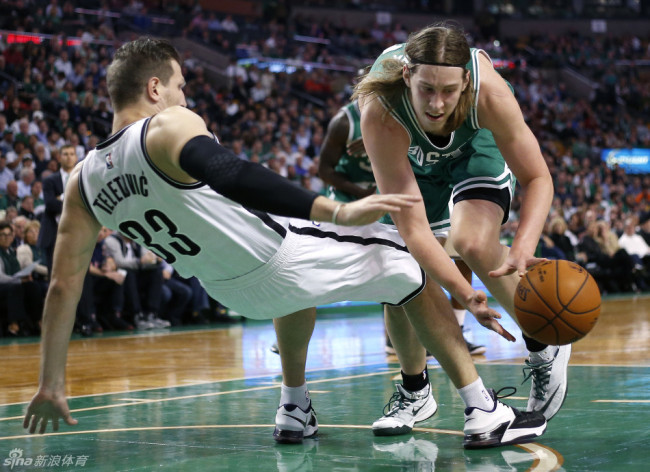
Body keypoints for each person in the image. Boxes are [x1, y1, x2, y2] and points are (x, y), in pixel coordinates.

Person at [23, 38, 546, 450]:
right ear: (155, 88)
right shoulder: (166, 125)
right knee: (409, 254)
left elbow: (63, 287)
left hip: (228, 291)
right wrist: (335, 209)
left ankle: (293, 406)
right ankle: (481, 409)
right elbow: (233, 172)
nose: (186, 96)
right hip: (282, 253)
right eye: (180, 85)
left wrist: (51, 382)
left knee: (323, 281)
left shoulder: (83, 182)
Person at [351, 23, 570, 434]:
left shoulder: (490, 94)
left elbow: (538, 177)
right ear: (406, 77)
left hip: (475, 146)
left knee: (474, 242)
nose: (437, 103)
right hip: (414, 160)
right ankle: (415, 390)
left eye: (449, 91)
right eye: (427, 89)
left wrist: (523, 245)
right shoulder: (380, 108)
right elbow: (415, 232)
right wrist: (467, 295)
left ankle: (543, 343)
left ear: (466, 80)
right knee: (399, 269)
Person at [318, 99, 485, 357]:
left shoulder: (407, 111)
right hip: (350, 199)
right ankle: (295, 312)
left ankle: (454, 331)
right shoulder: (344, 122)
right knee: (390, 265)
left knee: (446, 258)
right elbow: (323, 169)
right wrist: (362, 192)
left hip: (398, 191)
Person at [37, 144, 78, 273]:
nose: (69, 157)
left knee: (76, 274)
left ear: (76, 157)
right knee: (54, 274)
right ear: (59, 157)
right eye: (65, 154)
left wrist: (61, 198)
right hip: (54, 231)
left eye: (72, 154)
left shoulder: (83, 178)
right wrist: (74, 204)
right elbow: (50, 204)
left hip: (77, 231)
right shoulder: (50, 180)